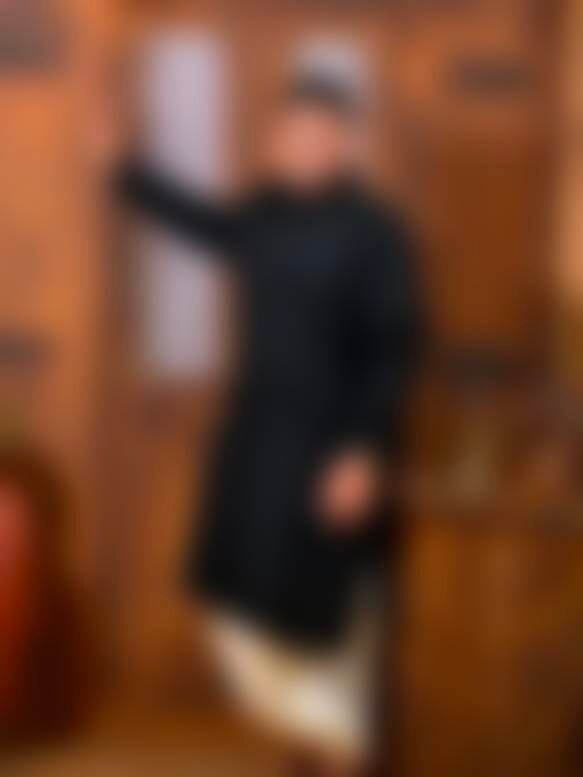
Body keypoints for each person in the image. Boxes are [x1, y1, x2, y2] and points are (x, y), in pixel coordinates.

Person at [118, 75, 422, 775]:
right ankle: (307, 741)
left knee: (323, 615)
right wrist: (124, 169)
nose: (305, 145)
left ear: (346, 141)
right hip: (255, 441)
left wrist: (362, 452)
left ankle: (339, 750)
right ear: (276, 140)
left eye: (321, 133)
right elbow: (201, 222)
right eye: (293, 132)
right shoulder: (263, 213)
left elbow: (392, 350)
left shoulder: (376, 232)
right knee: (239, 602)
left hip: (332, 448)